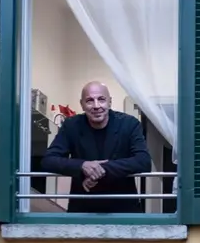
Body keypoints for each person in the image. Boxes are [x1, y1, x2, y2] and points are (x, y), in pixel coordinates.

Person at [40, 82, 153, 214]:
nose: (96, 106)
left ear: (110, 102)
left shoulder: (129, 124)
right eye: (89, 101)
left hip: (123, 208)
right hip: (83, 209)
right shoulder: (72, 125)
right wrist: (82, 165)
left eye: (101, 99)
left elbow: (143, 161)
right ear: (82, 104)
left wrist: (99, 171)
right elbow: (48, 161)